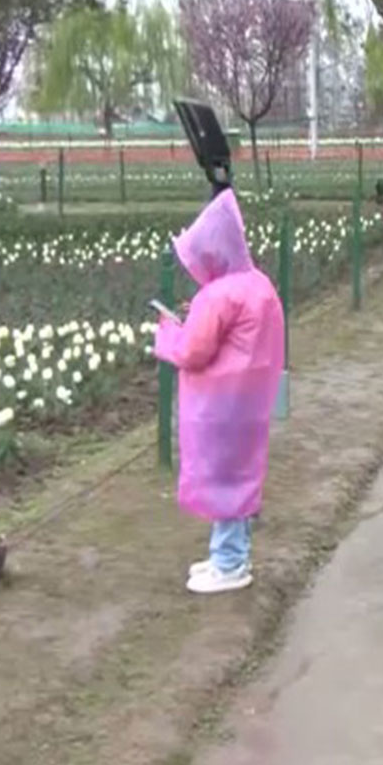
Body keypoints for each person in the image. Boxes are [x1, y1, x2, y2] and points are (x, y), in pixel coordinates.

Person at [153, 190, 285, 594]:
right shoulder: (257, 283)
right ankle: (227, 554)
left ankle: (230, 564)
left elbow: (193, 351)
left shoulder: (219, 294)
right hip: (249, 398)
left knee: (223, 478)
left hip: (220, 403)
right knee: (238, 474)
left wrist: (168, 332)